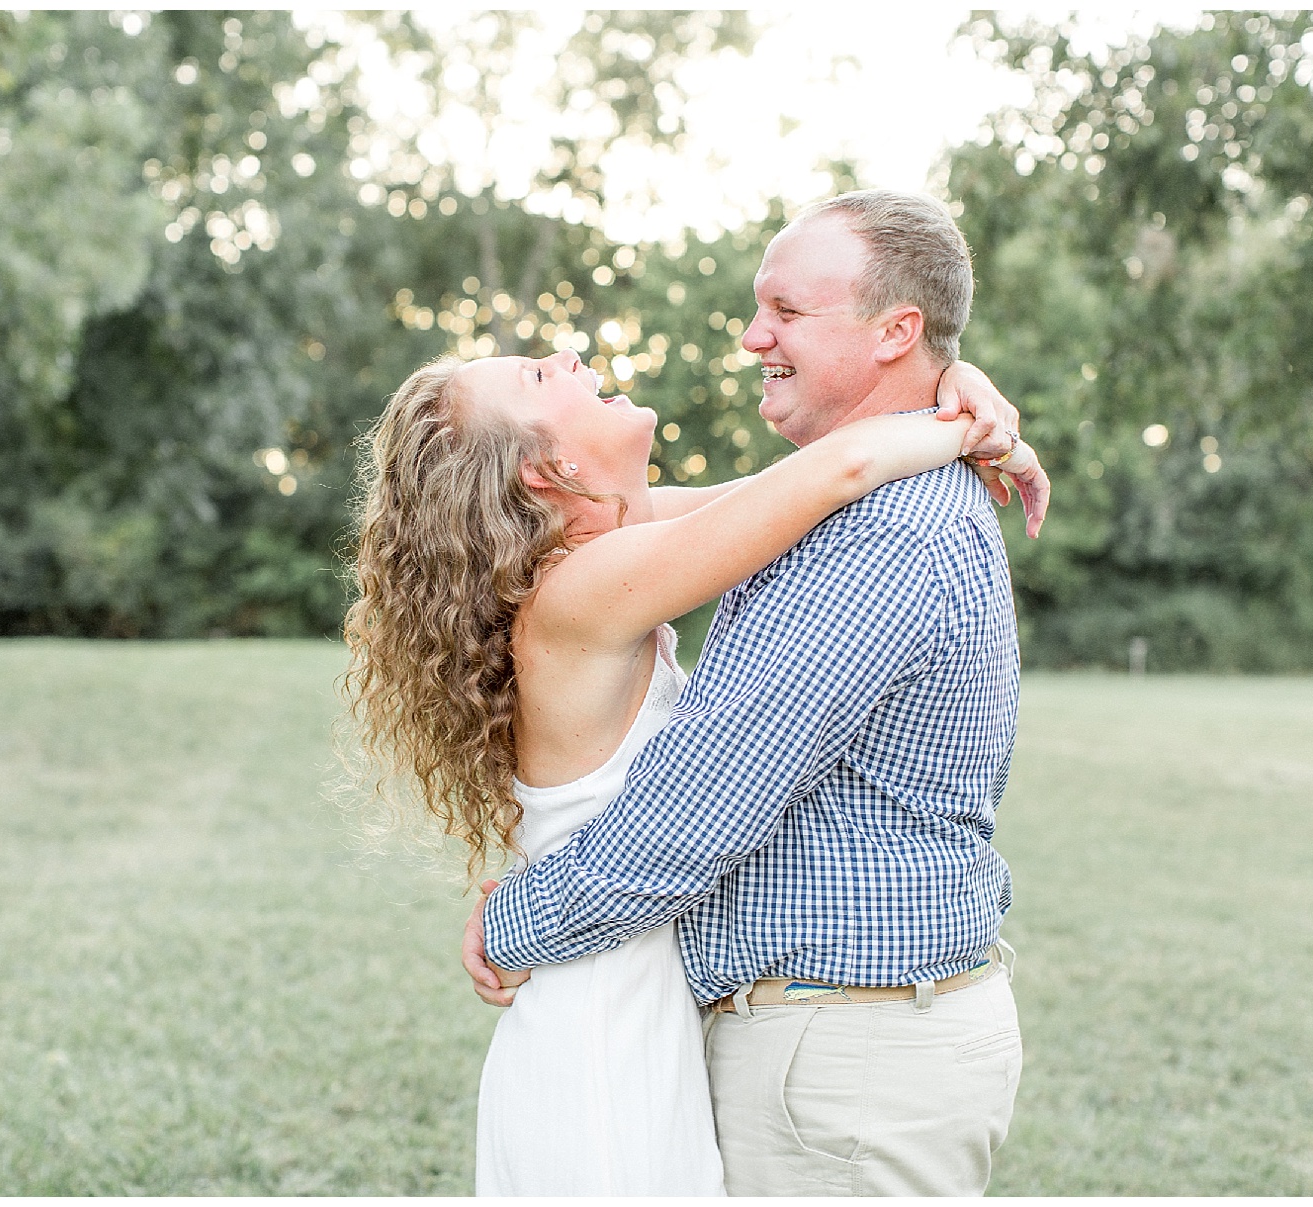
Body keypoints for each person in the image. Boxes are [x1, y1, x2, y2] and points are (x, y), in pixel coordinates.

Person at [344, 244, 1045, 1193]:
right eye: (542, 376)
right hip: (604, 1010)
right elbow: (832, 479)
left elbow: (781, 496)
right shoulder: (587, 585)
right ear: (549, 466)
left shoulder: (605, 544)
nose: (572, 359)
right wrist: (967, 427)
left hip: (630, 977)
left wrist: (957, 386)